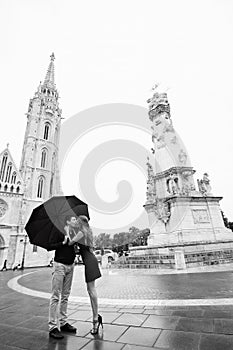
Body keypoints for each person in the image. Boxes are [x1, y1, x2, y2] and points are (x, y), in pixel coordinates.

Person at [68, 215, 103, 334]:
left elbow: (70, 243)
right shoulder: (87, 232)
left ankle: (95, 319)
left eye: (77, 222)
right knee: (90, 290)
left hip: (89, 262)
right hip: (91, 260)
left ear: (81, 223)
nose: (76, 223)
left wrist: (68, 230)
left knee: (92, 291)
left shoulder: (81, 233)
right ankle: (96, 317)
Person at [47, 215, 78, 340]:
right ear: (68, 221)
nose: (76, 221)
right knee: (55, 296)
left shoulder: (74, 232)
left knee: (66, 295)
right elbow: (50, 246)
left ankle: (63, 322)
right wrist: (62, 242)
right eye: (74, 219)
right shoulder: (58, 231)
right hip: (59, 265)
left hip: (71, 266)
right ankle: (53, 326)